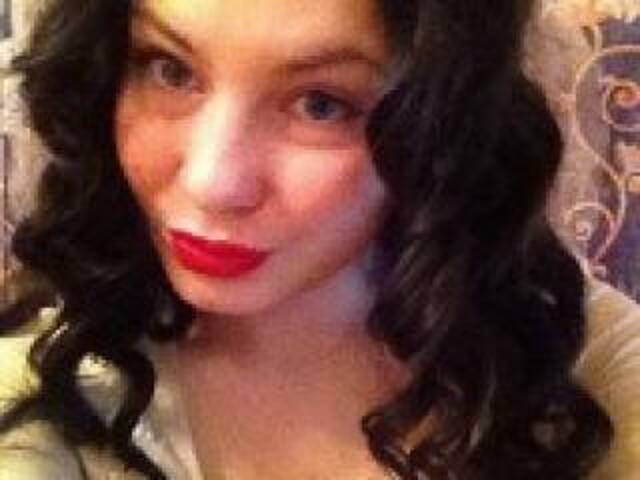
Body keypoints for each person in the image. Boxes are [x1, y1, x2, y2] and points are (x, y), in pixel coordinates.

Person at [0, 0, 639, 478]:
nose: (211, 182)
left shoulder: (580, 354)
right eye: (170, 70)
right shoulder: (50, 382)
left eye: (321, 104)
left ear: (438, 125)